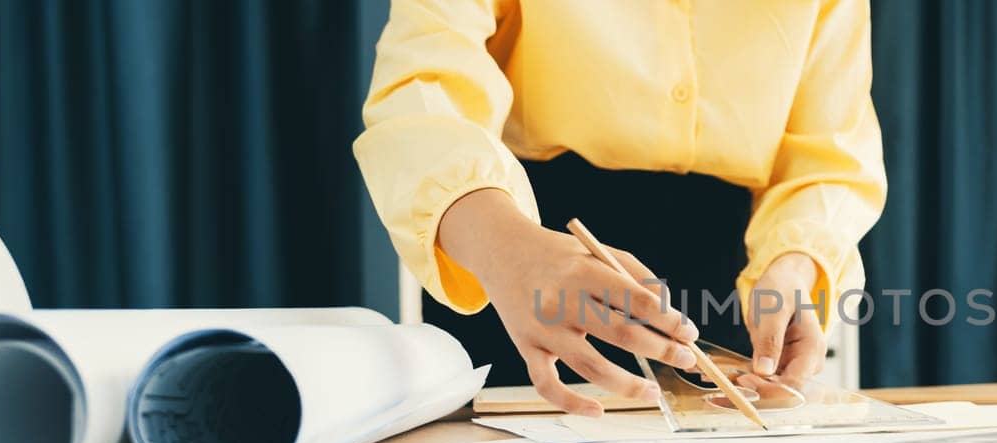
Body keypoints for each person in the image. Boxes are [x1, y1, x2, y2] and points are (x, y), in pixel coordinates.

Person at [354, 0, 884, 416]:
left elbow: (830, 143)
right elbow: (423, 83)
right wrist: (503, 246)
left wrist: (797, 259)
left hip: (730, 285)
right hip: (527, 264)